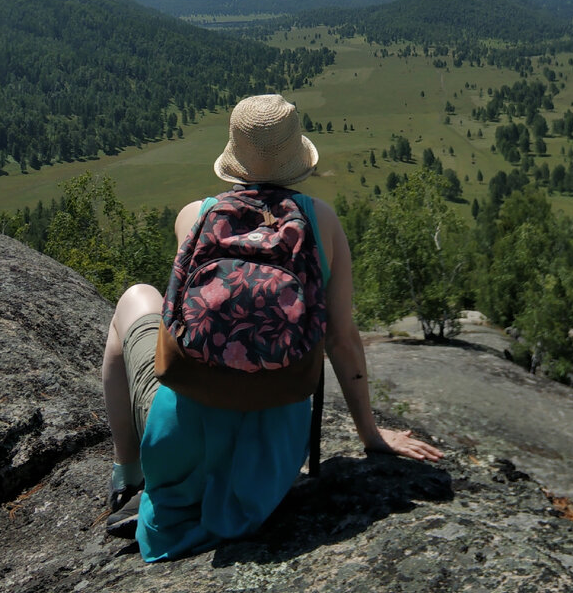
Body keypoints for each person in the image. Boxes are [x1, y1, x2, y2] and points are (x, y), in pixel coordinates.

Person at [101, 93, 442, 560]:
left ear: (234, 156)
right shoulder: (322, 222)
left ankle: (128, 471)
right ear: (296, 157)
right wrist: (371, 434)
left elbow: (182, 318)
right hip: (270, 463)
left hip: (179, 447)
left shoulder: (194, 217)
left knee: (135, 298)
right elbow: (341, 338)